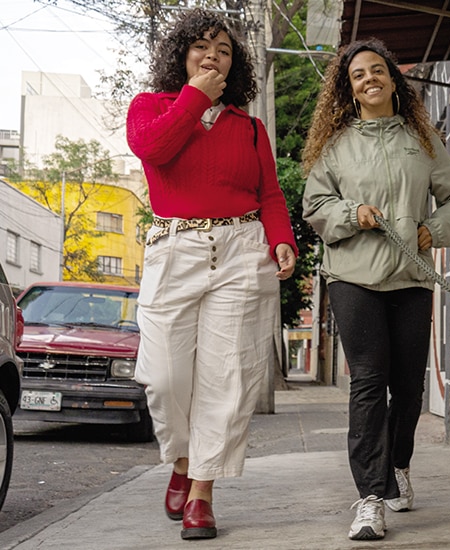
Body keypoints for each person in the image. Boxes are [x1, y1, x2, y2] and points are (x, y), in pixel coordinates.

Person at [126, 8, 298, 541]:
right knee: (164, 376)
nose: (212, 56)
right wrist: (196, 96)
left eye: (224, 51)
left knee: (228, 378)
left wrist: (282, 239)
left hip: (243, 251)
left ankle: (201, 490)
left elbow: (268, 193)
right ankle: (181, 461)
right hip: (174, 248)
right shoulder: (151, 107)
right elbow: (153, 149)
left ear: (235, 65)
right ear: (182, 55)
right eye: (202, 46)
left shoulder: (248, 127)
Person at [301, 38, 450, 541]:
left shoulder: (422, 140)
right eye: (358, 75)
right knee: (370, 383)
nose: (369, 78)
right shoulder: (336, 145)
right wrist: (352, 214)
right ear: (349, 89)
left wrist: (433, 230)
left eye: (378, 70)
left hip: (411, 277)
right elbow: (315, 203)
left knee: (409, 387)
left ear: (393, 79)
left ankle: (398, 464)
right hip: (353, 277)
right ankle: (370, 496)